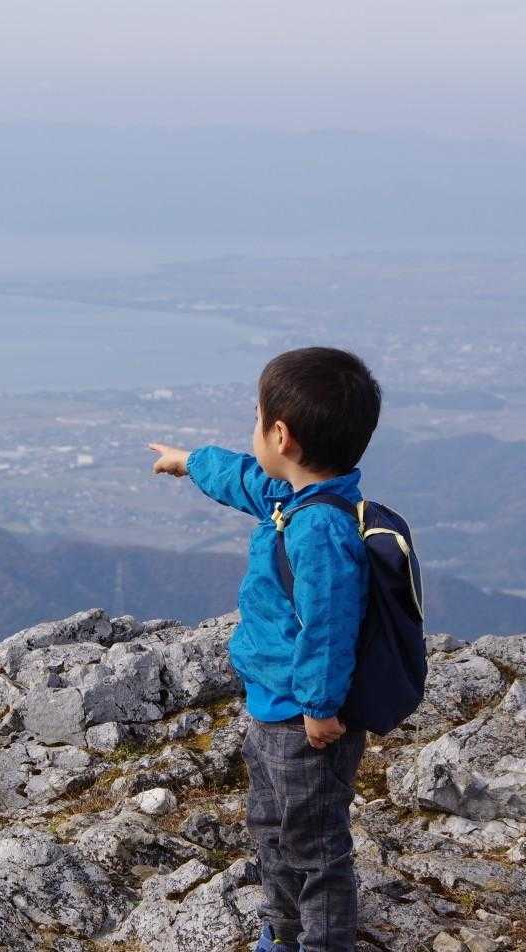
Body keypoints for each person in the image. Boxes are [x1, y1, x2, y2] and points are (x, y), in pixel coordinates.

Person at [148, 346, 380, 952]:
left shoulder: (319, 529)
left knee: (316, 848)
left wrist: (320, 707)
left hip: (305, 724)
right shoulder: (291, 499)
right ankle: (283, 931)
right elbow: (243, 479)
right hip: (271, 709)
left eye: (256, 419)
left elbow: (328, 627)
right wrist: (189, 462)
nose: (251, 432)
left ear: (282, 435)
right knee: (274, 830)